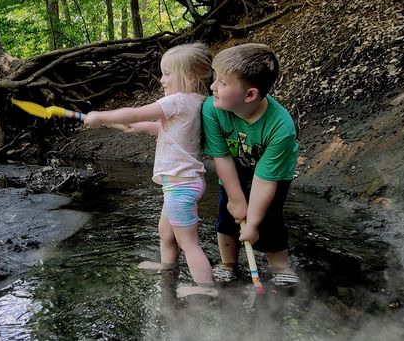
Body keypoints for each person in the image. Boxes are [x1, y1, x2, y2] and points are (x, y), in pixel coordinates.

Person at [84, 43, 217, 297]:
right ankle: (168, 267)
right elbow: (173, 132)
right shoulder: (197, 102)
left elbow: (134, 113)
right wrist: (144, 127)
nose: (161, 79)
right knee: (165, 232)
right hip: (182, 183)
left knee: (188, 242)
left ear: (189, 77)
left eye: (167, 73)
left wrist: (100, 117)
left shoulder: (177, 101)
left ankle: (206, 288)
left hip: (180, 184)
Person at [201, 43, 299, 287]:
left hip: (272, 176)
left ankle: (279, 267)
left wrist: (253, 223)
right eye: (215, 79)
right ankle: (228, 264)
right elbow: (221, 157)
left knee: (270, 220)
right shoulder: (212, 110)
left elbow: (265, 180)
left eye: (222, 83)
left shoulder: (281, 128)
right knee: (226, 217)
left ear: (250, 95)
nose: (213, 86)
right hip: (233, 170)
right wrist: (236, 199)